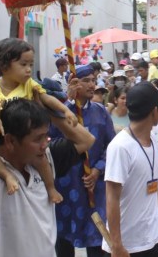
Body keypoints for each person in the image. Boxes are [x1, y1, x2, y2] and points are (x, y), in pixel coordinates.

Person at [0, 95, 95, 257]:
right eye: (38, 139)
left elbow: (85, 140)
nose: (45, 144)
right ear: (10, 141)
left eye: (46, 136)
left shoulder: (45, 159)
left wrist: (46, 110)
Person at [0, 38, 78, 203]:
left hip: (26, 139)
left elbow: (46, 98)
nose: (28, 70)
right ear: (4, 66)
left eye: (30, 64)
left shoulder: (29, 84)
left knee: (41, 160)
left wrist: (65, 110)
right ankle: (6, 176)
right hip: (3, 138)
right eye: (23, 65)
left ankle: (50, 188)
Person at [49, 64, 116, 257]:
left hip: (94, 185)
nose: (92, 85)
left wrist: (97, 170)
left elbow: (110, 146)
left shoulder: (101, 111)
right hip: (66, 185)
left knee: (96, 236)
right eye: (86, 81)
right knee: (64, 239)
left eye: (94, 80)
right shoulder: (58, 112)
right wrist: (67, 103)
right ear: (73, 83)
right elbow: (49, 140)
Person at [103, 82, 158, 257]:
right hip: (128, 243)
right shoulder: (120, 147)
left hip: (156, 233)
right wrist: (117, 245)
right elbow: (112, 197)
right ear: (154, 111)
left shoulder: (153, 138)